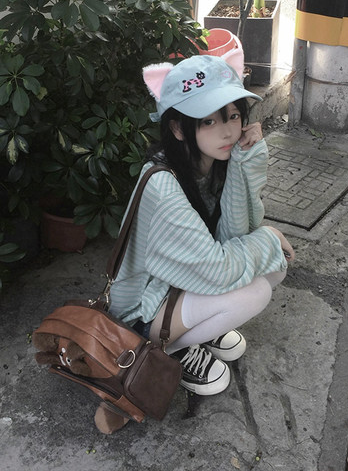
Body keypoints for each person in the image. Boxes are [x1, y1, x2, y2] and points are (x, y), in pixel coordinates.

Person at [95, 51, 294, 434]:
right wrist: (269, 238)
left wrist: (245, 162)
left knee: (274, 266)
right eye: (208, 121)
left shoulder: (212, 164)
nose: (228, 132)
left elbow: (239, 235)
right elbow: (218, 269)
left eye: (233, 115)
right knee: (256, 289)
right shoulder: (163, 185)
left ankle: (194, 331)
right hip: (142, 312)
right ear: (178, 129)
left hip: (183, 283)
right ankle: (168, 350)